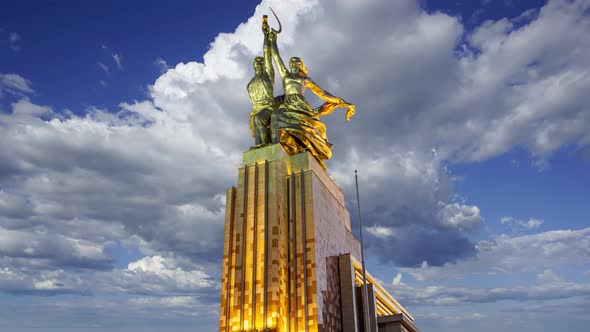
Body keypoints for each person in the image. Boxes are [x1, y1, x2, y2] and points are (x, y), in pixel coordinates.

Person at [268, 31, 354, 168]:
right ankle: (274, 149)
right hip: (288, 103)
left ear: (300, 65)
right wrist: (272, 41)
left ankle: (307, 149)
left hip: (301, 105)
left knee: (305, 129)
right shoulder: (285, 75)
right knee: (275, 116)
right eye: (291, 62)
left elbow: (323, 93)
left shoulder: (305, 80)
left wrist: (340, 101)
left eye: (295, 62)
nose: (292, 63)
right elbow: (277, 58)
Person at [247, 17, 278, 148]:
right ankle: (262, 145)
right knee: (256, 119)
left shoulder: (268, 75)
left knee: (259, 118)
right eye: (256, 61)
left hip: (268, 108)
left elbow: (267, 53)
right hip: (255, 110)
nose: (258, 62)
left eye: (260, 61)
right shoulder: (250, 83)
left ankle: (261, 146)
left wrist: (266, 36)